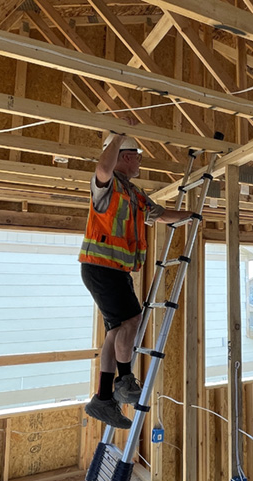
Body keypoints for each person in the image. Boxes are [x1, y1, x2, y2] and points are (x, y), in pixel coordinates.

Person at [80, 129, 192, 428]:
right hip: (102, 266)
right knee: (133, 322)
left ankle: (103, 399)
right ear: (125, 157)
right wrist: (116, 138)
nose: (140, 162)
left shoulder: (134, 193)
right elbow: (102, 168)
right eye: (138, 157)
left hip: (113, 269)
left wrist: (190, 216)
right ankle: (125, 380)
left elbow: (160, 213)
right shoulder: (108, 186)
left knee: (117, 329)